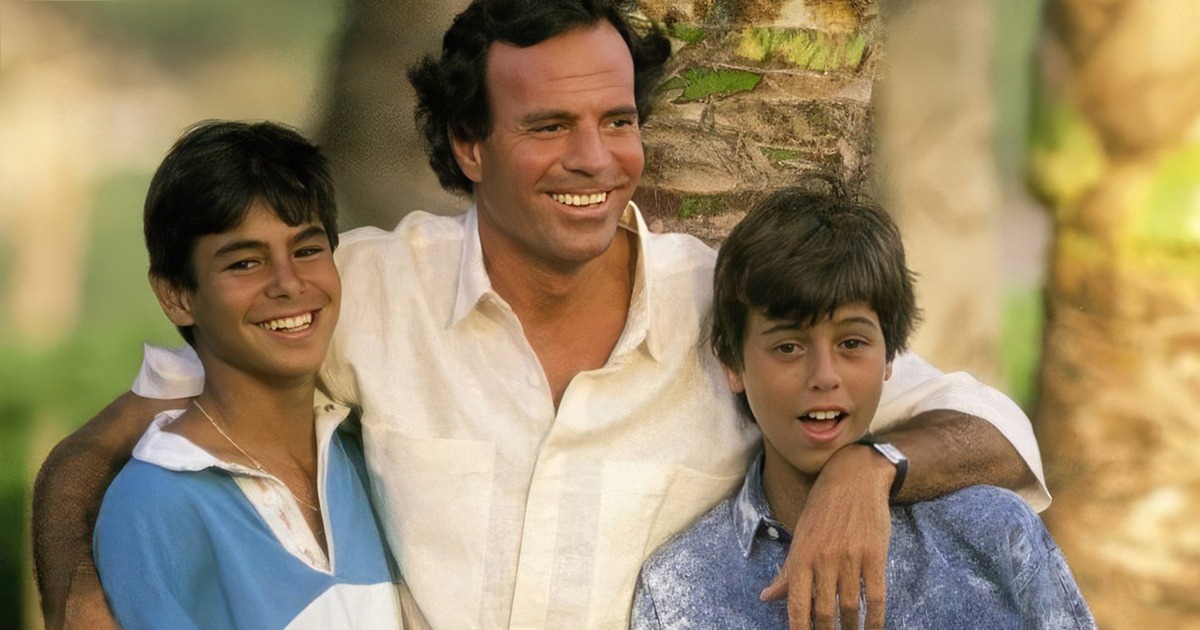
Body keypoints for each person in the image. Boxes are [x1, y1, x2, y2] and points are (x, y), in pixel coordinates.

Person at [33, 1, 1048, 628]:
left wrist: (872, 470)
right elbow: (106, 447)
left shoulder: (728, 308)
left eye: (617, 121)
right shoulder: (367, 293)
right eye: (550, 126)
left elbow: (999, 434)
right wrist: (81, 598)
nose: (594, 160)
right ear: (469, 146)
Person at [631, 182, 1096, 629]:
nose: (824, 376)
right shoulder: (680, 589)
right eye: (788, 347)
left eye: (851, 343)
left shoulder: (991, 534)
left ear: (891, 357)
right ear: (733, 364)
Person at [89, 120, 421, 629]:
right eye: (245, 263)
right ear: (176, 296)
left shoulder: (369, 451)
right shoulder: (153, 505)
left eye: (307, 250)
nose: (289, 283)